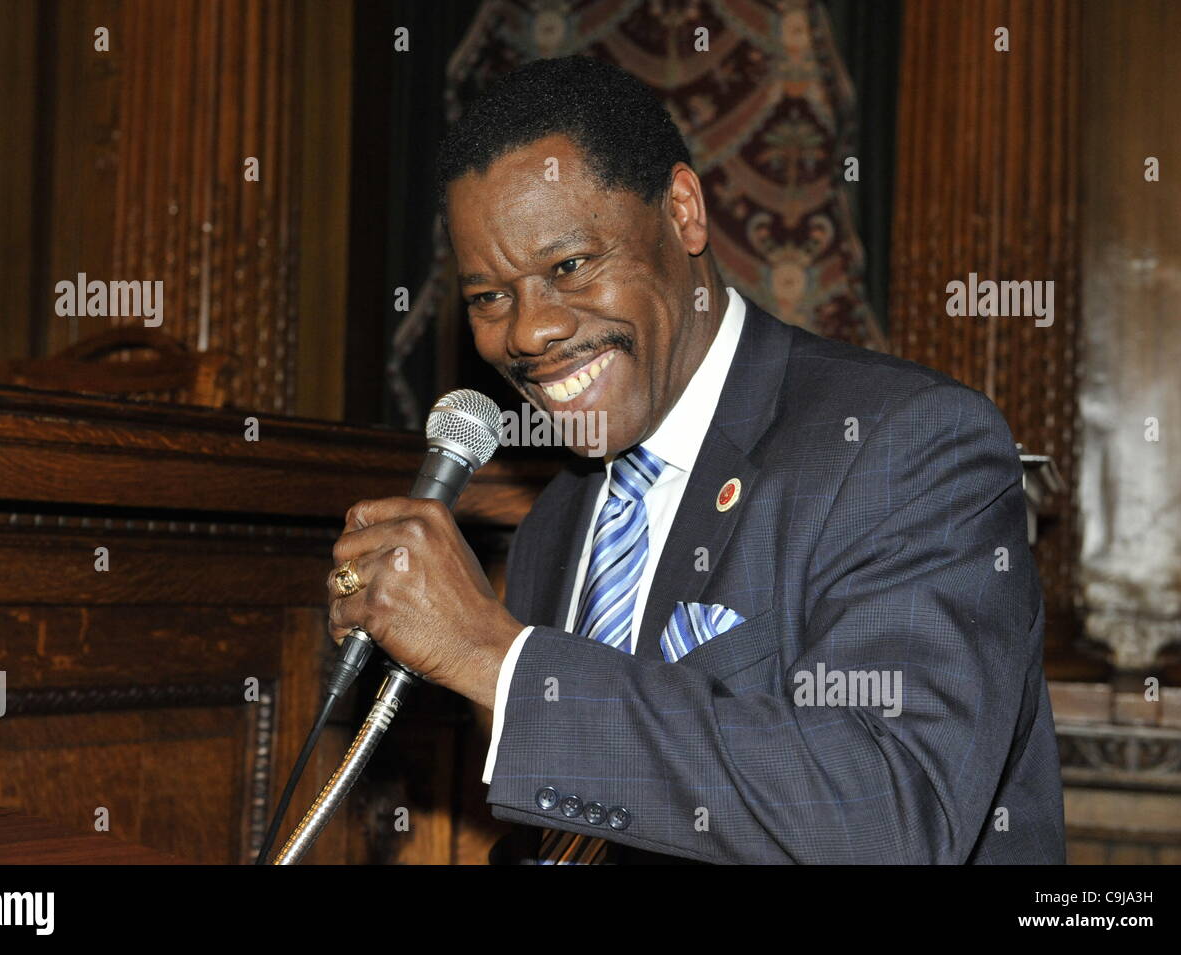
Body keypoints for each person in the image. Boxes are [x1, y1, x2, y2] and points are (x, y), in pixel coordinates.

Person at [326, 55, 1065, 864]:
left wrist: (497, 660)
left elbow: (891, 810)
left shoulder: (906, 445)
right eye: (488, 298)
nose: (528, 331)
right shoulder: (558, 523)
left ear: (681, 212)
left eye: (569, 266)